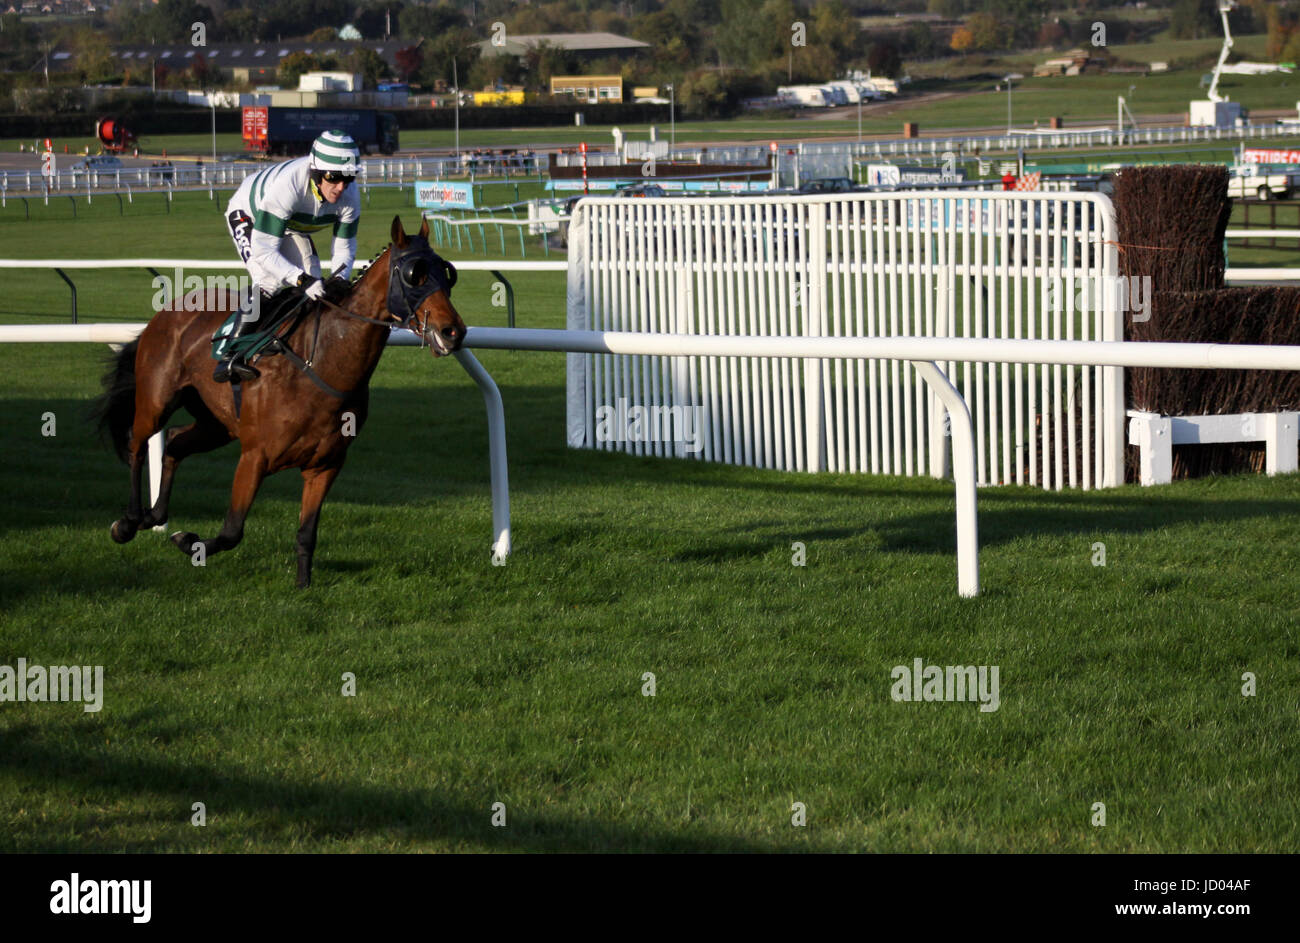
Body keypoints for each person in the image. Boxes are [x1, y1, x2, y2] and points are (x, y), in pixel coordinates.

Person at [215, 130, 362, 383]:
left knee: (317, 282)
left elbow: (344, 248)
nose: (341, 187)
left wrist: (340, 279)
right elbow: (263, 250)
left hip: (288, 223)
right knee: (270, 280)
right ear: (316, 172)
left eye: (348, 178)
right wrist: (300, 279)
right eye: (334, 178)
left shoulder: (350, 197)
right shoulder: (290, 185)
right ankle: (229, 355)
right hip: (249, 213)